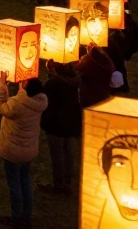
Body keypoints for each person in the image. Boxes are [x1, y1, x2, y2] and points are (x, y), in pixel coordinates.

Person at [0, 72, 48, 226]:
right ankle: (26, 216)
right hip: (28, 149)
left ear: (25, 87)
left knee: (14, 184)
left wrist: (1, 86)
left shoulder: (18, 104)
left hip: (13, 151)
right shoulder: (39, 101)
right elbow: (17, 102)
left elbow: (0, 106)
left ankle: (16, 218)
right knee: (25, 181)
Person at [39, 60, 82, 196]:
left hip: (56, 125)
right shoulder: (74, 79)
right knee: (68, 154)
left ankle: (59, 185)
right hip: (71, 123)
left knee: (57, 155)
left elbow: (43, 100)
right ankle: (67, 182)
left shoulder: (53, 83)